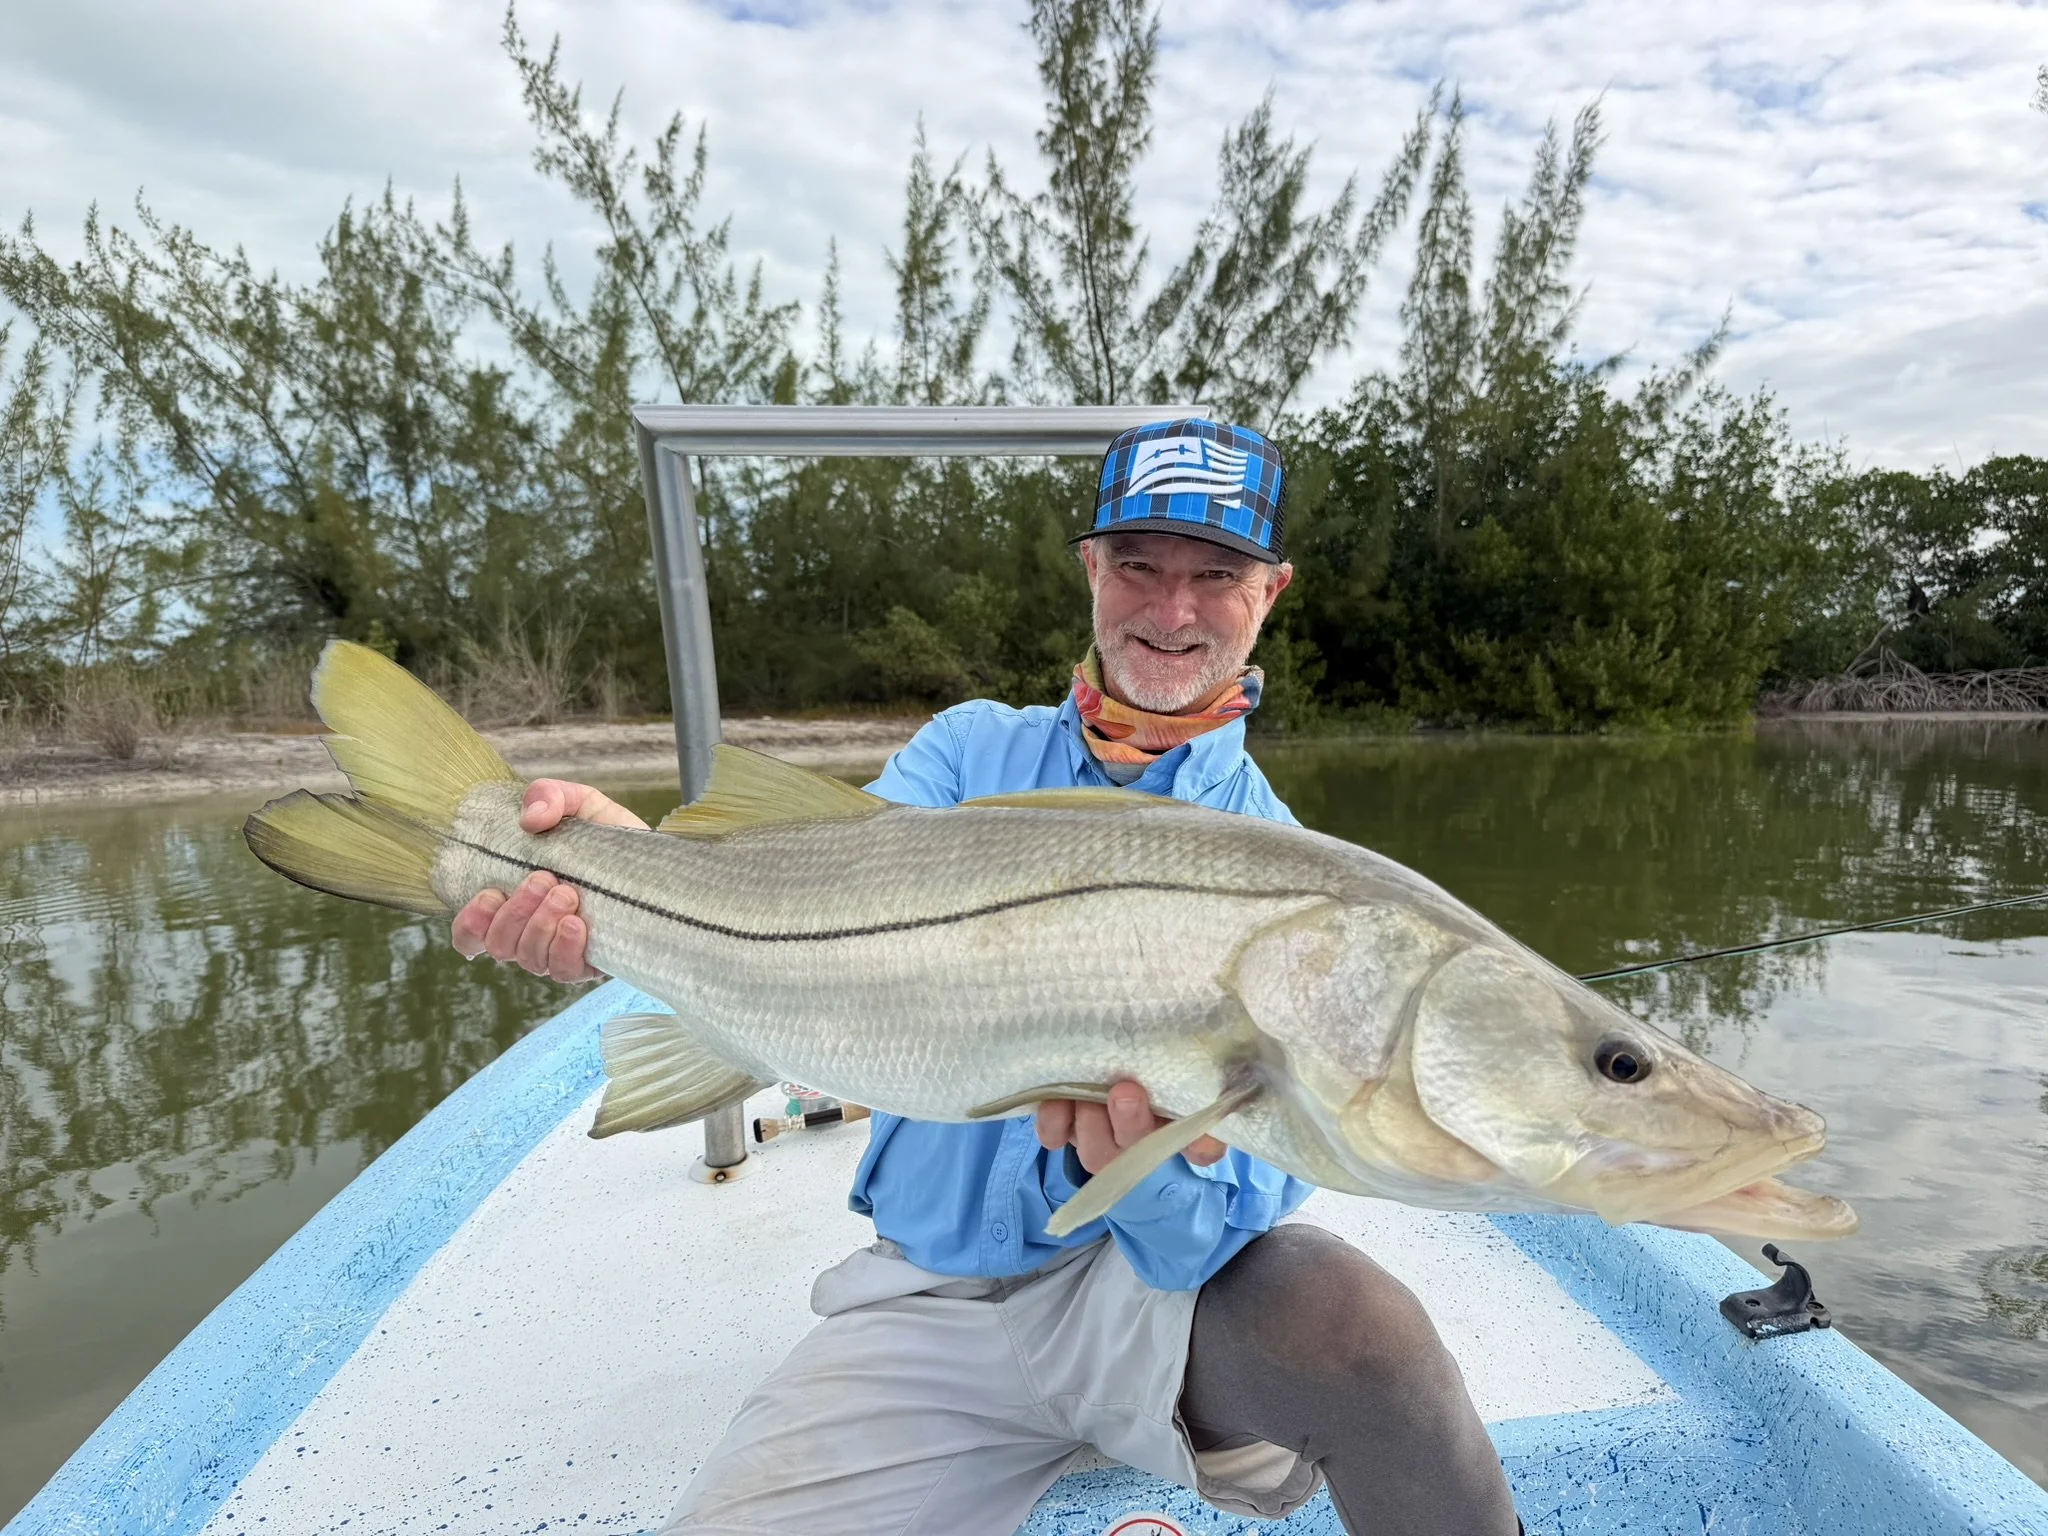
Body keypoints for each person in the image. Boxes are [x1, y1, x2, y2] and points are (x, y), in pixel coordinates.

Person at [452, 419, 1523, 1536]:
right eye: (1137, 567)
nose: (1170, 611)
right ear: (1090, 570)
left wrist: (1138, 1168)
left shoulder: (1307, 883)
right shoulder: (966, 755)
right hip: (925, 1307)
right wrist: (626, 872)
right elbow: (807, 898)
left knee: (1358, 1327)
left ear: (1270, 592)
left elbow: (1202, 1243)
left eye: (1215, 574)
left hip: (1151, 1312)